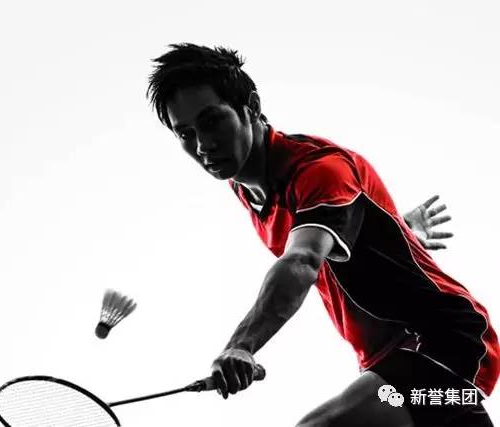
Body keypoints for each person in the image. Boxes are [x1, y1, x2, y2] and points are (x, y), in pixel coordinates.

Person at [147, 43, 499, 426]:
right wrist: (400, 231)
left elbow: (302, 261)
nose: (203, 145)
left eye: (212, 121)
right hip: (389, 364)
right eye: (186, 133)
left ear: (251, 107)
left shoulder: (319, 170)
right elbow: (340, 240)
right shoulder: (248, 188)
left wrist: (241, 346)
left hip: (445, 342)